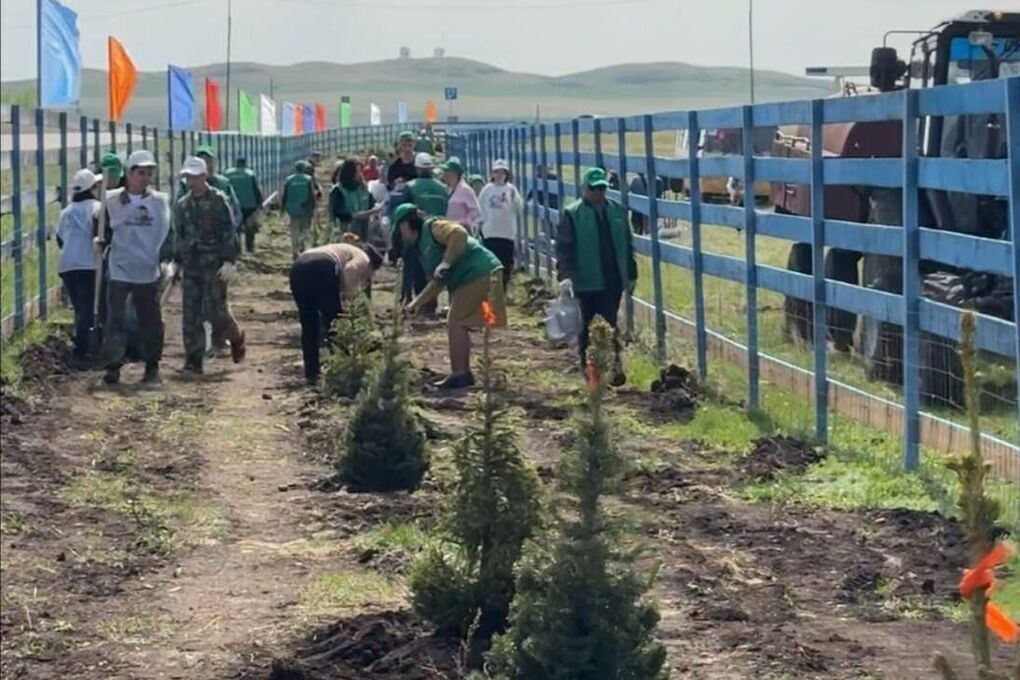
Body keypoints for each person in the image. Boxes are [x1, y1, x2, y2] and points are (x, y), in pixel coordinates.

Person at [396, 204, 507, 390]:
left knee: (456, 321)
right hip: (474, 276)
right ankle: (463, 372)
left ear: (406, 225)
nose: (401, 236)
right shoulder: (424, 248)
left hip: (479, 272)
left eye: (400, 230)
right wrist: (415, 304)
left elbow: (459, 233)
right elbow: (437, 282)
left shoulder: (433, 228)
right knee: (458, 321)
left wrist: (446, 263)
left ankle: (461, 374)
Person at [555, 167, 637, 386]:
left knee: (610, 323)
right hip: (585, 280)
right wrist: (565, 275)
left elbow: (628, 244)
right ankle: (590, 373)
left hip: (612, 279)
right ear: (584, 189)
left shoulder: (617, 211)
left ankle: (615, 367)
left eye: (602, 188)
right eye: (594, 189)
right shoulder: (573, 214)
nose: (599, 193)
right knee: (585, 327)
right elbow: (564, 247)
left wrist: (631, 273)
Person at [99, 150, 172, 385]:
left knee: (150, 319)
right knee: (116, 318)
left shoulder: (159, 202)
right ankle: (113, 365)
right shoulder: (112, 201)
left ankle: (152, 365)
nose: (145, 178)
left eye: (149, 173)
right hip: (120, 266)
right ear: (129, 174)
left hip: (147, 268)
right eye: (141, 173)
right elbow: (101, 228)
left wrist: (167, 258)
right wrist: (100, 242)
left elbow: (168, 231)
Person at [173, 156, 246, 374]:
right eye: (189, 177)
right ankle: (193, 359)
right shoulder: (182, 205)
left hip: (214, 264)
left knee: (217, 311)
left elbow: (228, 232)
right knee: (191, 313)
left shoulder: (218, 201)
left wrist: (230, 260)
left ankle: (236, 337)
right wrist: (176, 261)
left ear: (204, 177)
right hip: (191, 265)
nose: (192, 181)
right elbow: (179, 235)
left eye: (196, 177)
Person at [289, 242, 384, 385]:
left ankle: (311, 373)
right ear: (372, 266)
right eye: (370, 275)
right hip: (322, 266)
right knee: (335, 324)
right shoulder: (363, 258)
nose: (367, 280)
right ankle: (341, 370)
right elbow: (350, 270)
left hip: (298, 267)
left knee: (309, 324)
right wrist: (353, 302)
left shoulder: (342, 249)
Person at [56, 168, 102, 362]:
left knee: (79, 306)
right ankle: (84, 347)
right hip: (88, 263)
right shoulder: (97, 208)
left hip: (67, 264)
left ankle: (81, 343)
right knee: (89, 305)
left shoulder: (66, 212)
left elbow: (60, 238)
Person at [477, 159, 523, 286]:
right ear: (492, 174)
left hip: (506, 234)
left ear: (506, 174)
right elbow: (479, 209)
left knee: (505, 265)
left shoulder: (511, 189)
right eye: (496, 172)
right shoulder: (487, 190)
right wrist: (479, 227)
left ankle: (502, 290)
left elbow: (519, 209)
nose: (499, 175)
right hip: (490, 233)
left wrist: (514, 199)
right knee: (490, 265)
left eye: (502, 172)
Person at [329, 157, 379, 242]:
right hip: (346, 233)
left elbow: (371, 203)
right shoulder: (338, 190)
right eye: (356, 171)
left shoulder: (363, 188)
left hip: (365, 230)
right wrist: (356, 216)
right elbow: (338, 214)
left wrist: (375, 211)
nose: (359, 174)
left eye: (360, 171)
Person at [224, 156, 265, 252]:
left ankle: (237, 248)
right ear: (245, 164)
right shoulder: (250, 174)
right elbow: (256, 189)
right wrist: (260, 202)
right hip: (249, 205)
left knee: (236, 227)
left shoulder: (227, 174)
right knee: (249, 227)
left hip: (233, 205)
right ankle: (249, 247)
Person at [282, 161, 317, 259]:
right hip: (306, 209)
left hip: (293, 209)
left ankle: (295, 250)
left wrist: (283, 208)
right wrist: (313, 206)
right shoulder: (308, 179)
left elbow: (285, 195)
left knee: (294, 230)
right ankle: (303, 248)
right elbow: (311, 195)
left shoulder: (289, 179)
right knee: (305, 229)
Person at [440, 158, 481, 232]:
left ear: (453, 174)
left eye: (446, 171)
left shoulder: (465, 190)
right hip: (449, 230)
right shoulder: (447, 189)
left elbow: (475, 212)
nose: (443, 174)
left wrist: (462, 222)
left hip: (462, 230)